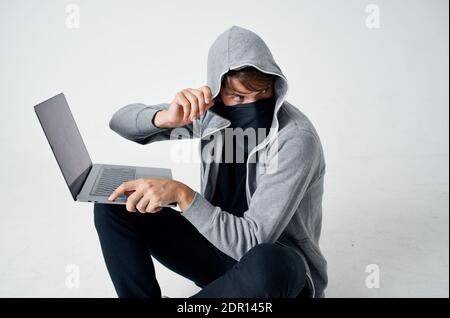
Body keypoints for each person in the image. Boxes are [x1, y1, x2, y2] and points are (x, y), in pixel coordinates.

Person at [94, 25, 328, 298]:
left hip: (278, 278)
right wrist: (166, 118)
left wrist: (183, 195)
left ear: (275, 85)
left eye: (262, 92)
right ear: (217, 95)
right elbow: (119, 121)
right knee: (113, 204)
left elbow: (251, 242)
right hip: (217, 252)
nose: (252, 104)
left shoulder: (296, 139)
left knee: (270, 262)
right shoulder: (212, 117)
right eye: (238, 97)